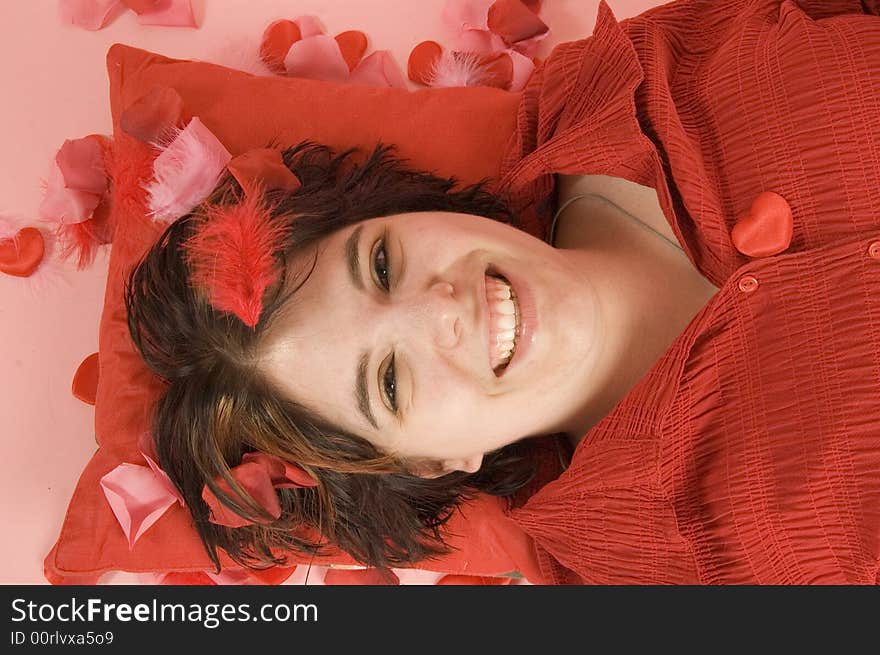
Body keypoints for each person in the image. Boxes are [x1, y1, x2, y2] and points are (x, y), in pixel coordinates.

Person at [124, 0, 880, 584]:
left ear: (399, 212)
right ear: (432, 460)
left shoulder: (615, 90)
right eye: (388, 380)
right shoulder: (651, 561)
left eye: (382, 264)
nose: (441, 308)